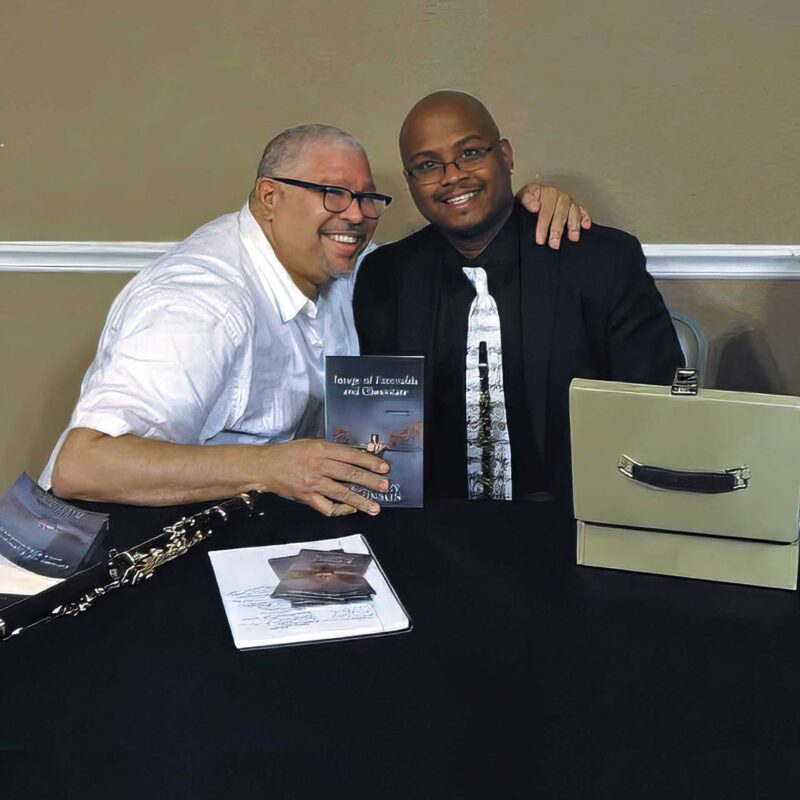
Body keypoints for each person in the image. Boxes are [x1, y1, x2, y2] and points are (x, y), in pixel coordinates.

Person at [43, 123, 587, 516]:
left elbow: (452, 244)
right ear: (269, 198)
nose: (355, 215)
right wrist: (274, 467)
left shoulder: (340, 263)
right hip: (121, 547)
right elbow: (85, 466)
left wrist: (524, 205)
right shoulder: (200, 304)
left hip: (252, 526)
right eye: (332, 194)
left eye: (366, 197)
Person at [353, 91, 684, 502]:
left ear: (505, 156)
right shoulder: (385, 277)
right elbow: (377, 424)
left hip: (576, 517)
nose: (452, 175)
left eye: (470, 153)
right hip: (436, 522)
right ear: (411, 182)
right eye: (427, 165)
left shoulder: (600, 262)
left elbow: (657, 407)